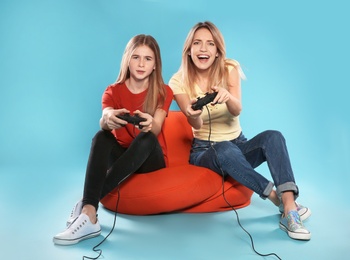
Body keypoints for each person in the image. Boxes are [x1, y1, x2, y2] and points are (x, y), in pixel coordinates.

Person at [168, 21, 311, 240]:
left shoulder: (229, 68)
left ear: (217, 52)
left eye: (210, 44)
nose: (203, 49)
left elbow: (236, 111)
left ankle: (290, 210)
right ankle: (276, 198)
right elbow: (195, 125)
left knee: (274, 136)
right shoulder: (178, 80)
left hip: (238, 144)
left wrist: (228, 97)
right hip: (204, 153)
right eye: (197, 43)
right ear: (189, 50)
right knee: (224, 149)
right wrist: (193, 114)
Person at [53, 34, 174, 245]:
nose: (141, 64)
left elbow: (156, 127)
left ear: (155, 65)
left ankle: (87, 201)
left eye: (148, 59)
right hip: (122, 160)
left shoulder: (164, 91)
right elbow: (104, 119)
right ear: (128, 59)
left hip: (150, 161)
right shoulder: (112, 91)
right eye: (136, 57)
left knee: (146, 137)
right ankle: (90, 215)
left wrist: (149, 123)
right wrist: (108, 119)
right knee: (101, 136)